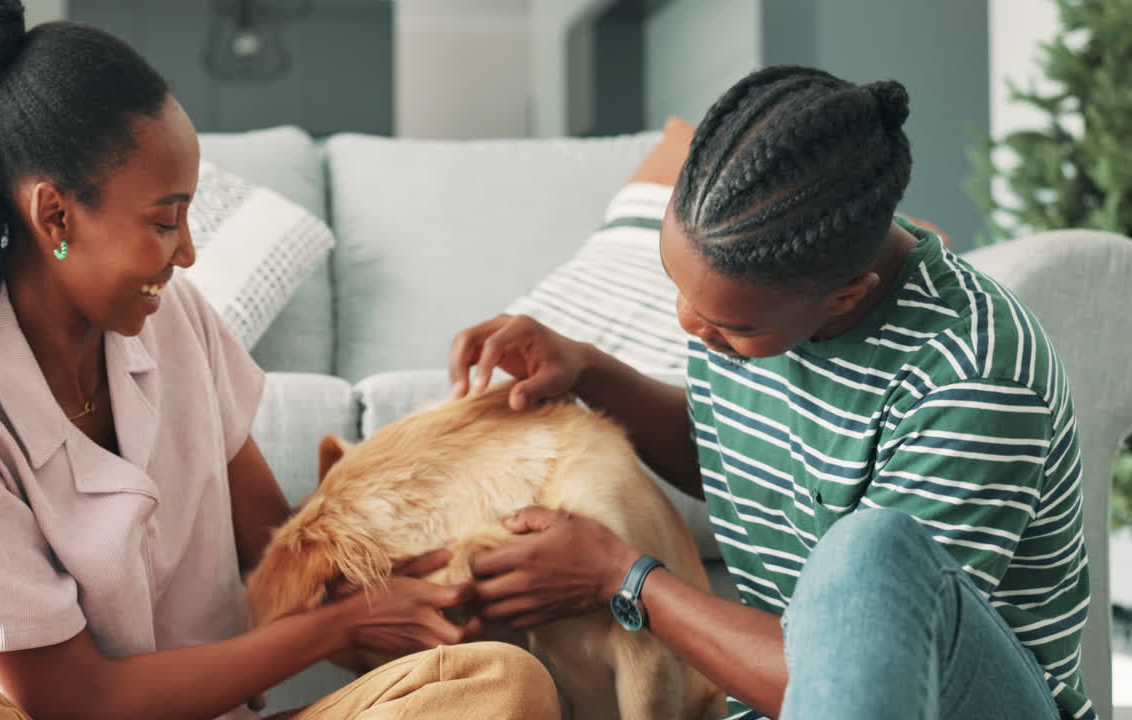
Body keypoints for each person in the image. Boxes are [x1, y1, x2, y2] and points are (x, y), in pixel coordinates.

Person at [0, 1, 559, 719]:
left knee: (501, 683)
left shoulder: (176, 318)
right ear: (55, 216)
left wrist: (404, 585)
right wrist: (338, 625)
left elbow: (272, 550)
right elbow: (78, 702)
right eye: (164, 220)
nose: (187, 252)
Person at [451, 65, 1093, 720]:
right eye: (677, 283)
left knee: (869, 548)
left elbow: (846, 667)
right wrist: (589, 371)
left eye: (734, 325)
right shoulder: (765, 300)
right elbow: (741, 466)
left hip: (955, 703)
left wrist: (620, 575)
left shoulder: (973, 374)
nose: (690, 325)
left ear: (848, 294)